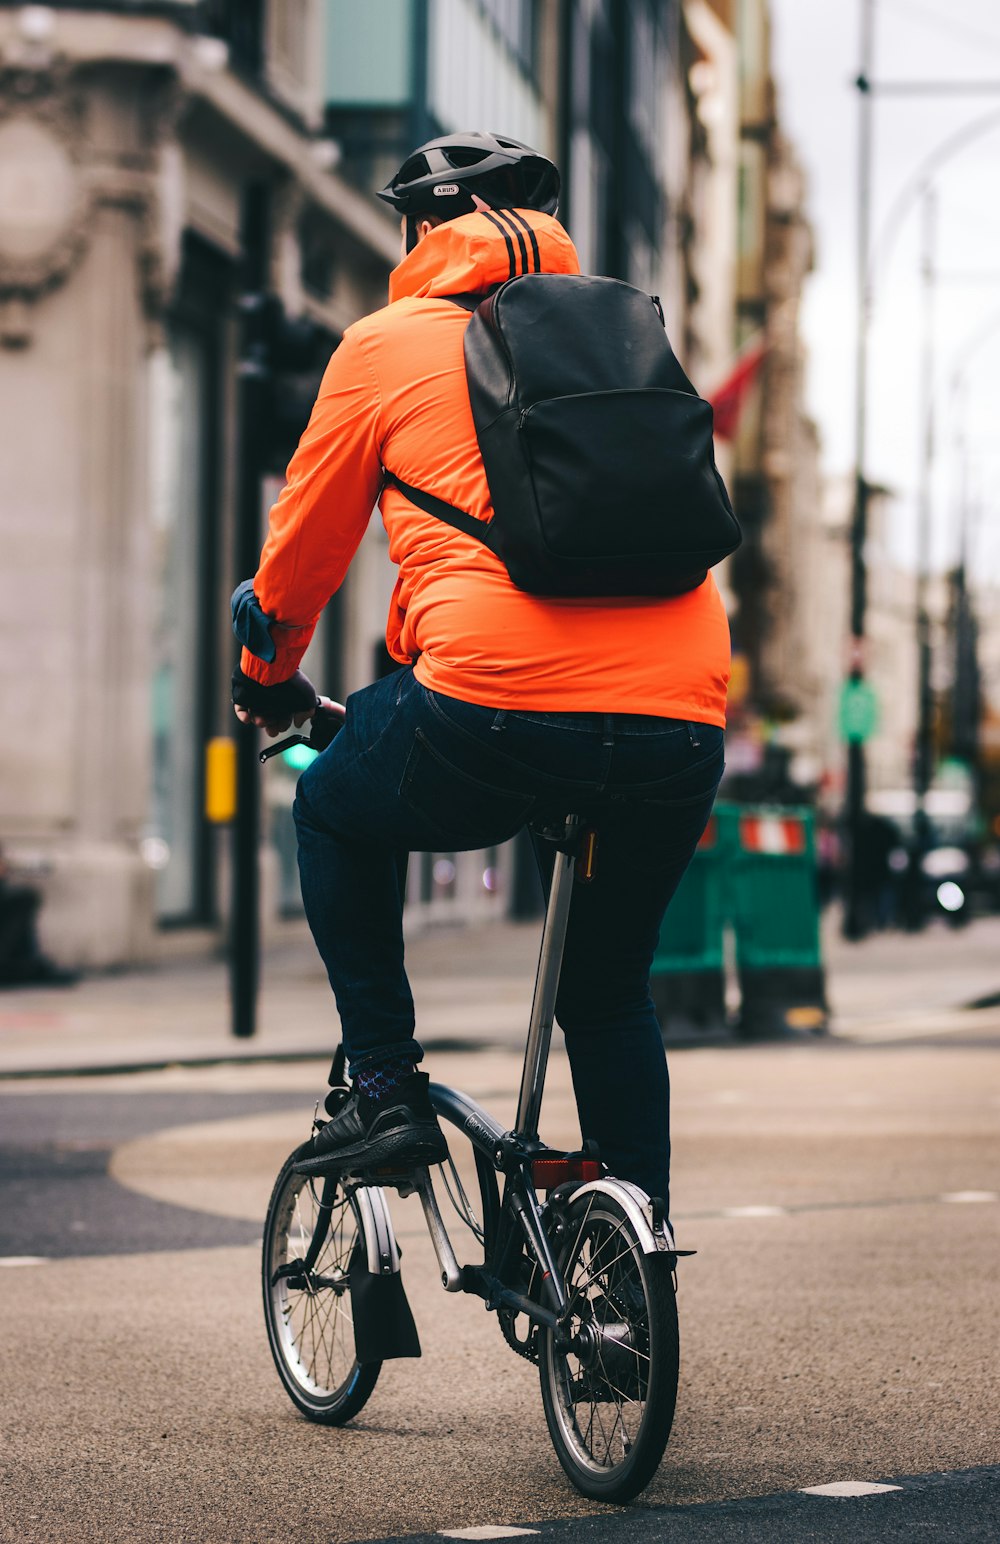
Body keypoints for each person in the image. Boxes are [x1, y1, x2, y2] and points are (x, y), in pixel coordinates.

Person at [231, 132, 728, 1214]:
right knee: (606, 992)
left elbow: (303, 549)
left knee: (330, 805)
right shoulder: (631, 336)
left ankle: (387, 1086)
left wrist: (267, 670)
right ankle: (623, 1262)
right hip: (679, 720)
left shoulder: (384, 341)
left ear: (421, 229)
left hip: (488, 709)